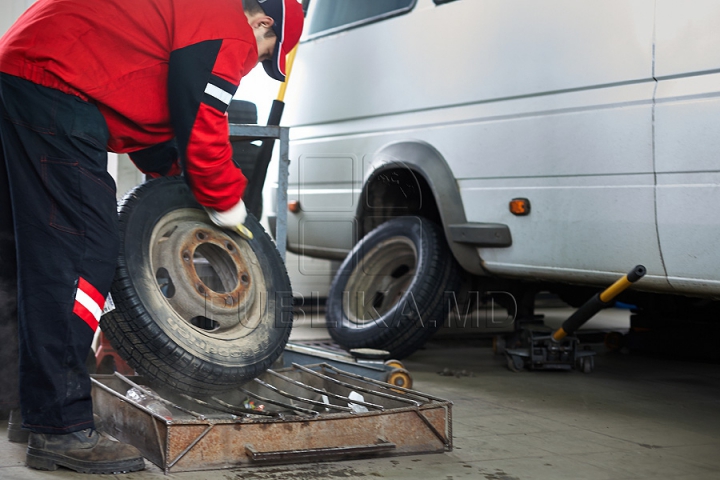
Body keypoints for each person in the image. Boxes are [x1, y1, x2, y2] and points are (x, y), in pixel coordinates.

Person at [0, 0, 303, 474]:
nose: (252, 61)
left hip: (23, 73)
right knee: (80, 255)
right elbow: (202, 123)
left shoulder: (179, 16)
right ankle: (60, 429)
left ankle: (30, 409)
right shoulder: (226, 24)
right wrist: (225, 201)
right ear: (264, 23)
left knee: (28, 253)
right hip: (54, 85)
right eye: (265, 52)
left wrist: (183, 178)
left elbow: (157, 118)